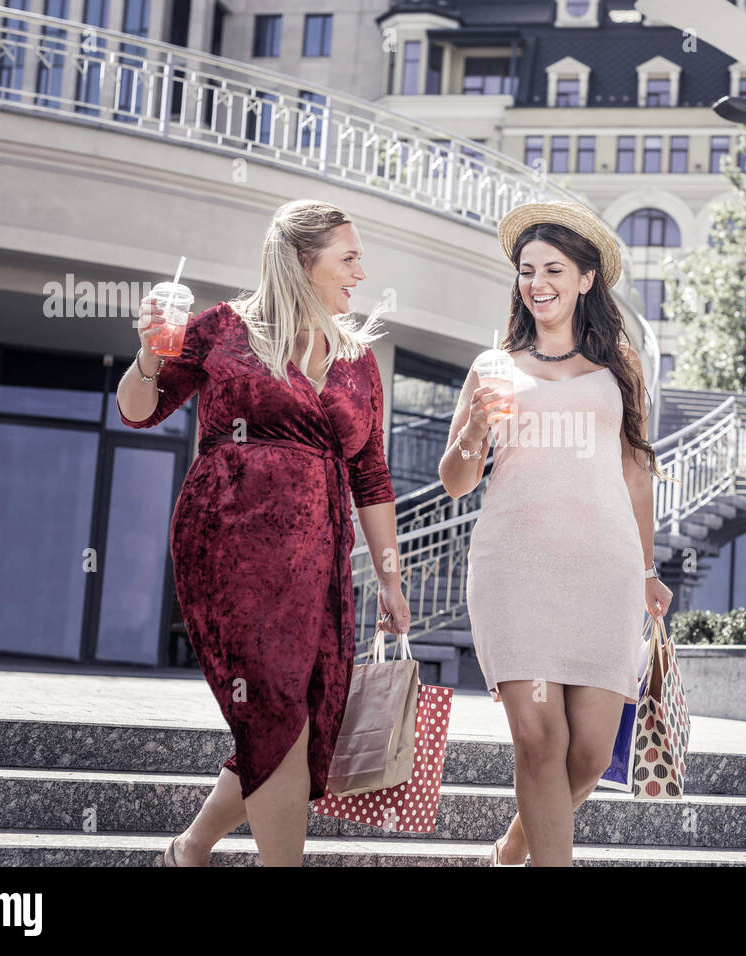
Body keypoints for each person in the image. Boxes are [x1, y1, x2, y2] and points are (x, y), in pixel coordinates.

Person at [116, 199, 410, 867]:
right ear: (303, 263)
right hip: (229, 545)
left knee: (298, 725)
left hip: (318, 564)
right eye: (349, 257)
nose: (362, 271)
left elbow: (372, 477)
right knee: (278, 708)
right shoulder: (221, 329)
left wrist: (390, 577)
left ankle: (189, 849)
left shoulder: (358, 359)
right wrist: (147, 355)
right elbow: (138, 411)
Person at [439, 201, 674, 867]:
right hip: (516, 570)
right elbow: (457, 480)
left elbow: (636, 475)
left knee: (591, 755)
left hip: (606, 572)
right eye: (527, 271)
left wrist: (649, 569)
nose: (538, 282)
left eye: (554, 269)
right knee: (539, 740)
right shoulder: (493, 367)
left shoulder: (622, 368)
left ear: (586, 280)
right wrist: (476, 432)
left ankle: (513, 850)